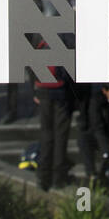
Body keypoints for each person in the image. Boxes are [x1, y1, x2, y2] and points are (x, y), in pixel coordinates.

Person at [27, 44, 76, 191]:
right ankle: (58, 177)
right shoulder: (66, 38)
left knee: (46, 134)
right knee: (61, 135)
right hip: (61, 92)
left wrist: (35, 91)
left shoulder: (40, 41)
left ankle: (43, 177)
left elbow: (30, 67)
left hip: (43, 91)